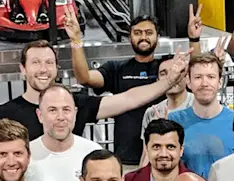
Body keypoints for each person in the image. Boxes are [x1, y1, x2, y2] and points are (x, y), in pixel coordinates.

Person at [0, 40, 189, 177]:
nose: (43, 69)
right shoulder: (5, 114)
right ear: (23, 69)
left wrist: (168, 81)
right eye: (35, 62)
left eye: (48, 63)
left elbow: (128, 99)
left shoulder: (76, 103)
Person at [66, 12, 166, 169]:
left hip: (163, 158)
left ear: (157, 37)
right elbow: (84, 78)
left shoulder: (165, 68)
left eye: (149, 33)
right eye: (137, 33)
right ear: (129, 37)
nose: (143, 37)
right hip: (126, 161)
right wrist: (76, 40)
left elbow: (193, 71)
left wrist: (194, 39)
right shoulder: (116, 68)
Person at [27, 84, 102, 181]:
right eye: (52, 110)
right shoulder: (24, 156)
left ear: (75, 113)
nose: (60, 117)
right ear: (40, 115)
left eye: (66, 110)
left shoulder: (94, 152)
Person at [169, 53, 234, 179]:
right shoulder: (174, 121)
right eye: (198, 77)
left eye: (211, 77)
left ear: (220, 82)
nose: (204, 83)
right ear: (188, 82)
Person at [139, 56, 194, 163]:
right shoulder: (152, 112)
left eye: (177, 70)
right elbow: (146, 153)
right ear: (158, 80)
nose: (171, 77)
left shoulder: (198, 106)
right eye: (164, 73)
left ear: (187, 77)